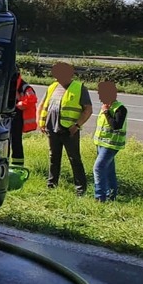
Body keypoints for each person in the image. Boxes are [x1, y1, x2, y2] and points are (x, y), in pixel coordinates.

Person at [38, 61, 93, 195]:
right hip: (52, 128)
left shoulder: (79, 88)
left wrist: (77, 125)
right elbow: (42, 105)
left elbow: (88, 110)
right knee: (53, 157)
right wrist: (41, 122)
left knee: (74, 159)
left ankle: (80, 189)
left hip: (69, 130)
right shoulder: (52, 87)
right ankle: (51, 185)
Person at [92, 80, 128, 202]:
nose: (100, 97)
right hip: (101, 143)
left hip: (111, 144)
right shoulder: (106, 107)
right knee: (108, 170)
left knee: (98, 168)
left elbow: (116, 125)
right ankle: (111, 195)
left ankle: (99, 197)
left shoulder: (120, 108)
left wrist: (107, 112)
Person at [8, 72, 38, 190]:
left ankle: (18, 167)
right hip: (9, 115)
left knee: (16, 142)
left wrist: (21, 104)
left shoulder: (23, 86)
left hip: (17, 117)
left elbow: (32, 98)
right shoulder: (10, 84)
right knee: (6, 141)